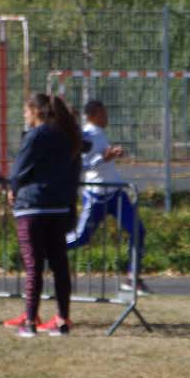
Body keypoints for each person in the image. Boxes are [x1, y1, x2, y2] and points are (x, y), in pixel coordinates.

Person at [4, 94, 83, 337]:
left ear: (36, 111)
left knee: (33, 266)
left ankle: (29, 322)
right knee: (60, 265)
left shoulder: (36, 135)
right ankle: (62, 321)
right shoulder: (65, 137)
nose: (25, 117)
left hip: (32, 205)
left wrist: (12, 189)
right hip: (58, 207)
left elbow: (19, 170)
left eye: (26, 112)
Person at [65, 100, 147, 291]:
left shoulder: (100, 133)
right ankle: (49, 248)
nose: (107, 118)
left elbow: (102, 159)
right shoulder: (86, 135)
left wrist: (111, 154)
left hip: (115, 193)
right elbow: (82, 166)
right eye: (103, 114)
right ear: (92, 116)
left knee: (138, 230)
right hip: (97, 196)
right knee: (81, 238)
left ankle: (132, 279)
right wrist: (104, 157)